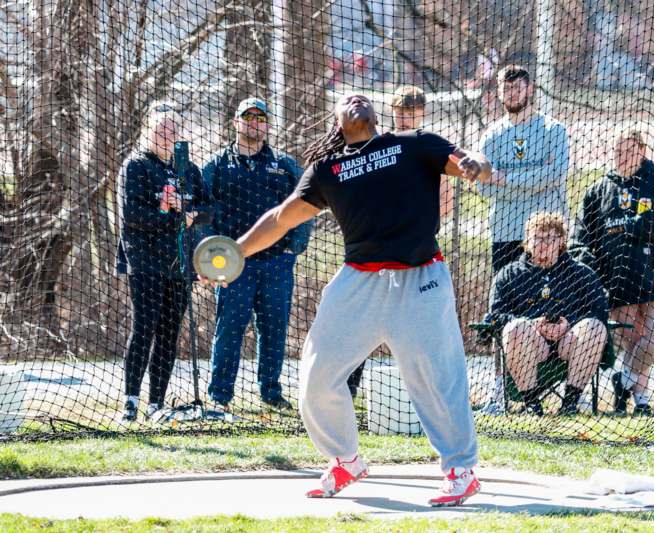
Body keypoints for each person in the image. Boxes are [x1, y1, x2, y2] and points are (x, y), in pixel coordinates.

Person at [203, 93, 492, 506]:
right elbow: (282, 218)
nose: (356, 99)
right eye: (346, 99)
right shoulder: (328, 168)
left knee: (437, 375)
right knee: (316, 377)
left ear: (374, 115)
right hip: (359, 282)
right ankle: (345, 460)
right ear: (337, 123)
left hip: (421, 276)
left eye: (362, 97)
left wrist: (477, 165)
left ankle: (460, 471)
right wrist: (236, 250)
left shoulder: (415, 143)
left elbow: (472, 161)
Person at [570, 129, 654, 415]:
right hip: (618, 275)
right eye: (617, 152)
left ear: (642, 150)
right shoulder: (599, 190)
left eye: (629, 150)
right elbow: (580, 236)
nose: (622, 157)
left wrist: (646, 226)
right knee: (633, 338)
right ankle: (640, 401)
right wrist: (588, 260)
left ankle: (623, 378)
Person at [203, 97, 312, 412]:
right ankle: (220, 396)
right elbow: (201, 211)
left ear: (267, 123)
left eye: (260, 118)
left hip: (277, 263)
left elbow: (306, 206)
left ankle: (271, 392)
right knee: (229, 330)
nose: (255, 123)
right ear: (235, 122)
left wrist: (294, 247)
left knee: (274, 330)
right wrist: (211, 258)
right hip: (233, 265)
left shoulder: (284, 164)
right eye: (248, 117)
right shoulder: (217, 166)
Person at [345, 85, 453, 398]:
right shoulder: (378, 146)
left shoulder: (430, 147)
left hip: (418, 252)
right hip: (377, 252)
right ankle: (349, 388)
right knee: (364, 320)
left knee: (423, 325)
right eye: (400, 112)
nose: (405, 118)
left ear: (422, 114)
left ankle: (430, 392)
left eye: (412, 112)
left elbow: (446, 203)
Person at [116, 102, 212, 422]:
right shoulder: (136, 166)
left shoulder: (188, 170)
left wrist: (188, 214)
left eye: (172, 130)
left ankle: (156, 403)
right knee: (145, 327)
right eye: (160, 129)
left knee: (170, 332)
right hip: (144, 260)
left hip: (179, 263)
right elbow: (132, 216)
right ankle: (131, 400)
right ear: (148, 131)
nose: (167, 135)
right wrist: (168, 211)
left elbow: (208, 210)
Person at [485, 212, 608, 415]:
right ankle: (532, 405)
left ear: (561, 241)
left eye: (550, 238)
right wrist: (532, 324)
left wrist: (568, 324)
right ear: (527, 242)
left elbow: (599, 312)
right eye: (538, 238)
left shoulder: (582, 273)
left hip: (569, 343)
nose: (543, 244)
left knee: (595, 328)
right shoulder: (508, 274)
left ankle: (570, 404)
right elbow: (495, 315)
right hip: (530, 344)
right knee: (516, 328)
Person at [476, 65, 570, 274]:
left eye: (517, 87)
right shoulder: (491, 136)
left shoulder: (553, 129)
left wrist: (505, 179)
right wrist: (536, 183)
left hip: (547, 237)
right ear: (499, 93)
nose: (512, 93)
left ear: (530, 89)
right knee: (507, 302)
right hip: (505, 234)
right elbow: (483, 188)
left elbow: (555, 175)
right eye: (506, 89)